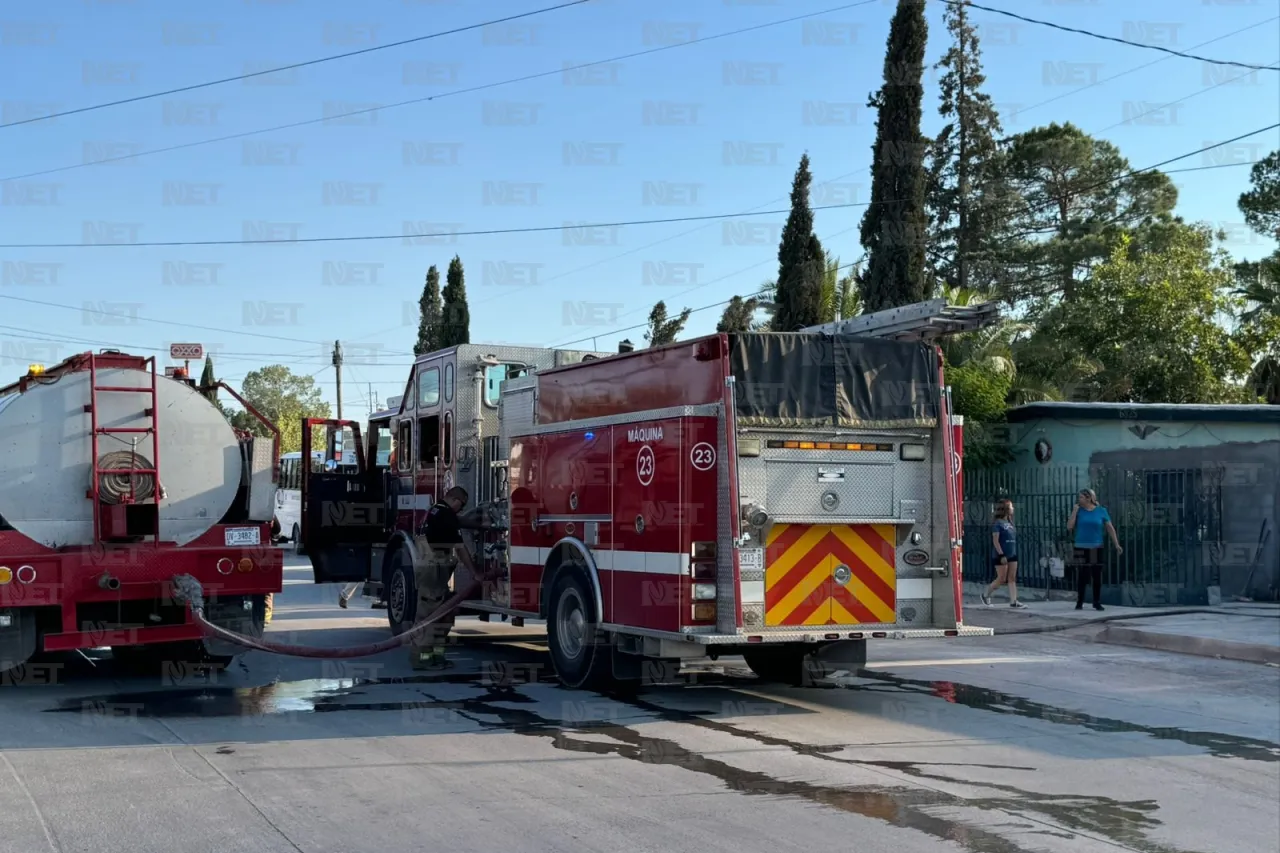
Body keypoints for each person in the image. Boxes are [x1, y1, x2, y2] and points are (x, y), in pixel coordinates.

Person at [410, 486, 481, 669]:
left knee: (446, 613)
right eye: (462, 506)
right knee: (429, 615)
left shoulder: (435, 511)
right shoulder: (446, 515)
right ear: (456, 500)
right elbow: (460, 548)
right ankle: (422, 659)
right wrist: (475, 573)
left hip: (434, 571)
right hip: (433, 572)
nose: (461, 509)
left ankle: (436, 656)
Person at [1068, 488, 1122, 611]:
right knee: (1082, 575)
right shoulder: (1079, 511)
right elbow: (1069, 526)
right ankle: (1080, 601)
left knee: (1096, 575)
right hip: (1081, 546)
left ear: (1088, 498)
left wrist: (1116, 544)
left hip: (1096, 547)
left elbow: (1110, 528)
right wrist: (1074, 512)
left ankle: (1096, 601)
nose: (1079, 499)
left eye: (1081, 497)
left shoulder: (1101, 511)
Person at [981, 499, 1025, 608]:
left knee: (1012, 577)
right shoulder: (997, 523)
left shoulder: (1010, 522)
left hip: (1012, 553)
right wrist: (1001, 554)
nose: (1013, 508)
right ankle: (986, 594)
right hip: (1001, 555)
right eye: (1011, 507)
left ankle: (1013, 601)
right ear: (1006, 509)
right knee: (1001, 578)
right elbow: (995, 540)